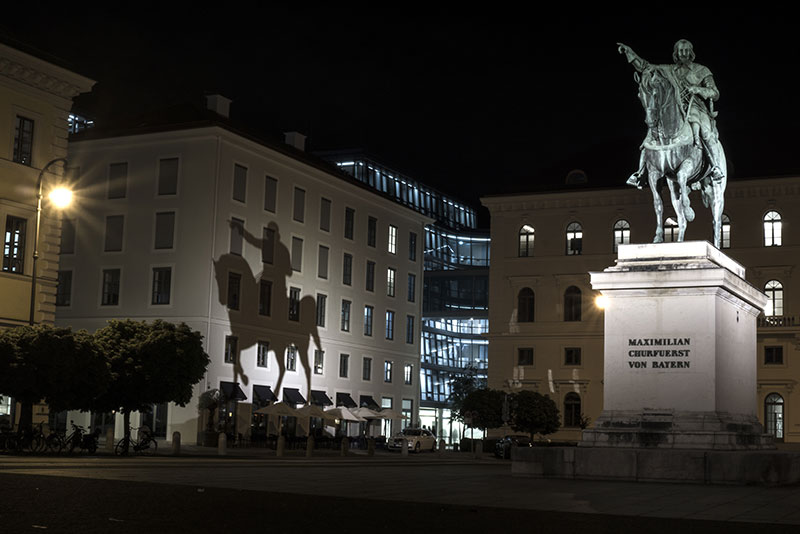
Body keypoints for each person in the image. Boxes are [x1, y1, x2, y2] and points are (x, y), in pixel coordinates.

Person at [618, 39, 725, 187]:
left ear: (691, 53)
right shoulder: (669, 70)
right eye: (680, 51)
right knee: (653, 129)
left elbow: (715, 93)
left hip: (695, 107)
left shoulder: (702, 70)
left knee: (706, 134)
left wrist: (698, 89)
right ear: (676, 53)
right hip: (674, 109)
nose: (683, 54)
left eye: (686, 50)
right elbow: (646, 67)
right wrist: (630, 54)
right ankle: (640, 172)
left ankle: (715, 168)